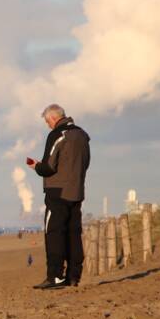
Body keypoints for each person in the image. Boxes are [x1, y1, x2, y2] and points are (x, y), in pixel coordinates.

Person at [27, 104, 91, 289]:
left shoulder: (57, 134)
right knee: (73, 233)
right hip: (76, 190)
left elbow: (48, 166)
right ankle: (73, 276)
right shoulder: (82, 135)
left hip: (57, 192)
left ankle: (55, 275)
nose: (48, 125)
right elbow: (85, 163)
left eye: (48, 122)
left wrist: (36, 166)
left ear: (54, 118)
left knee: (54, 233)